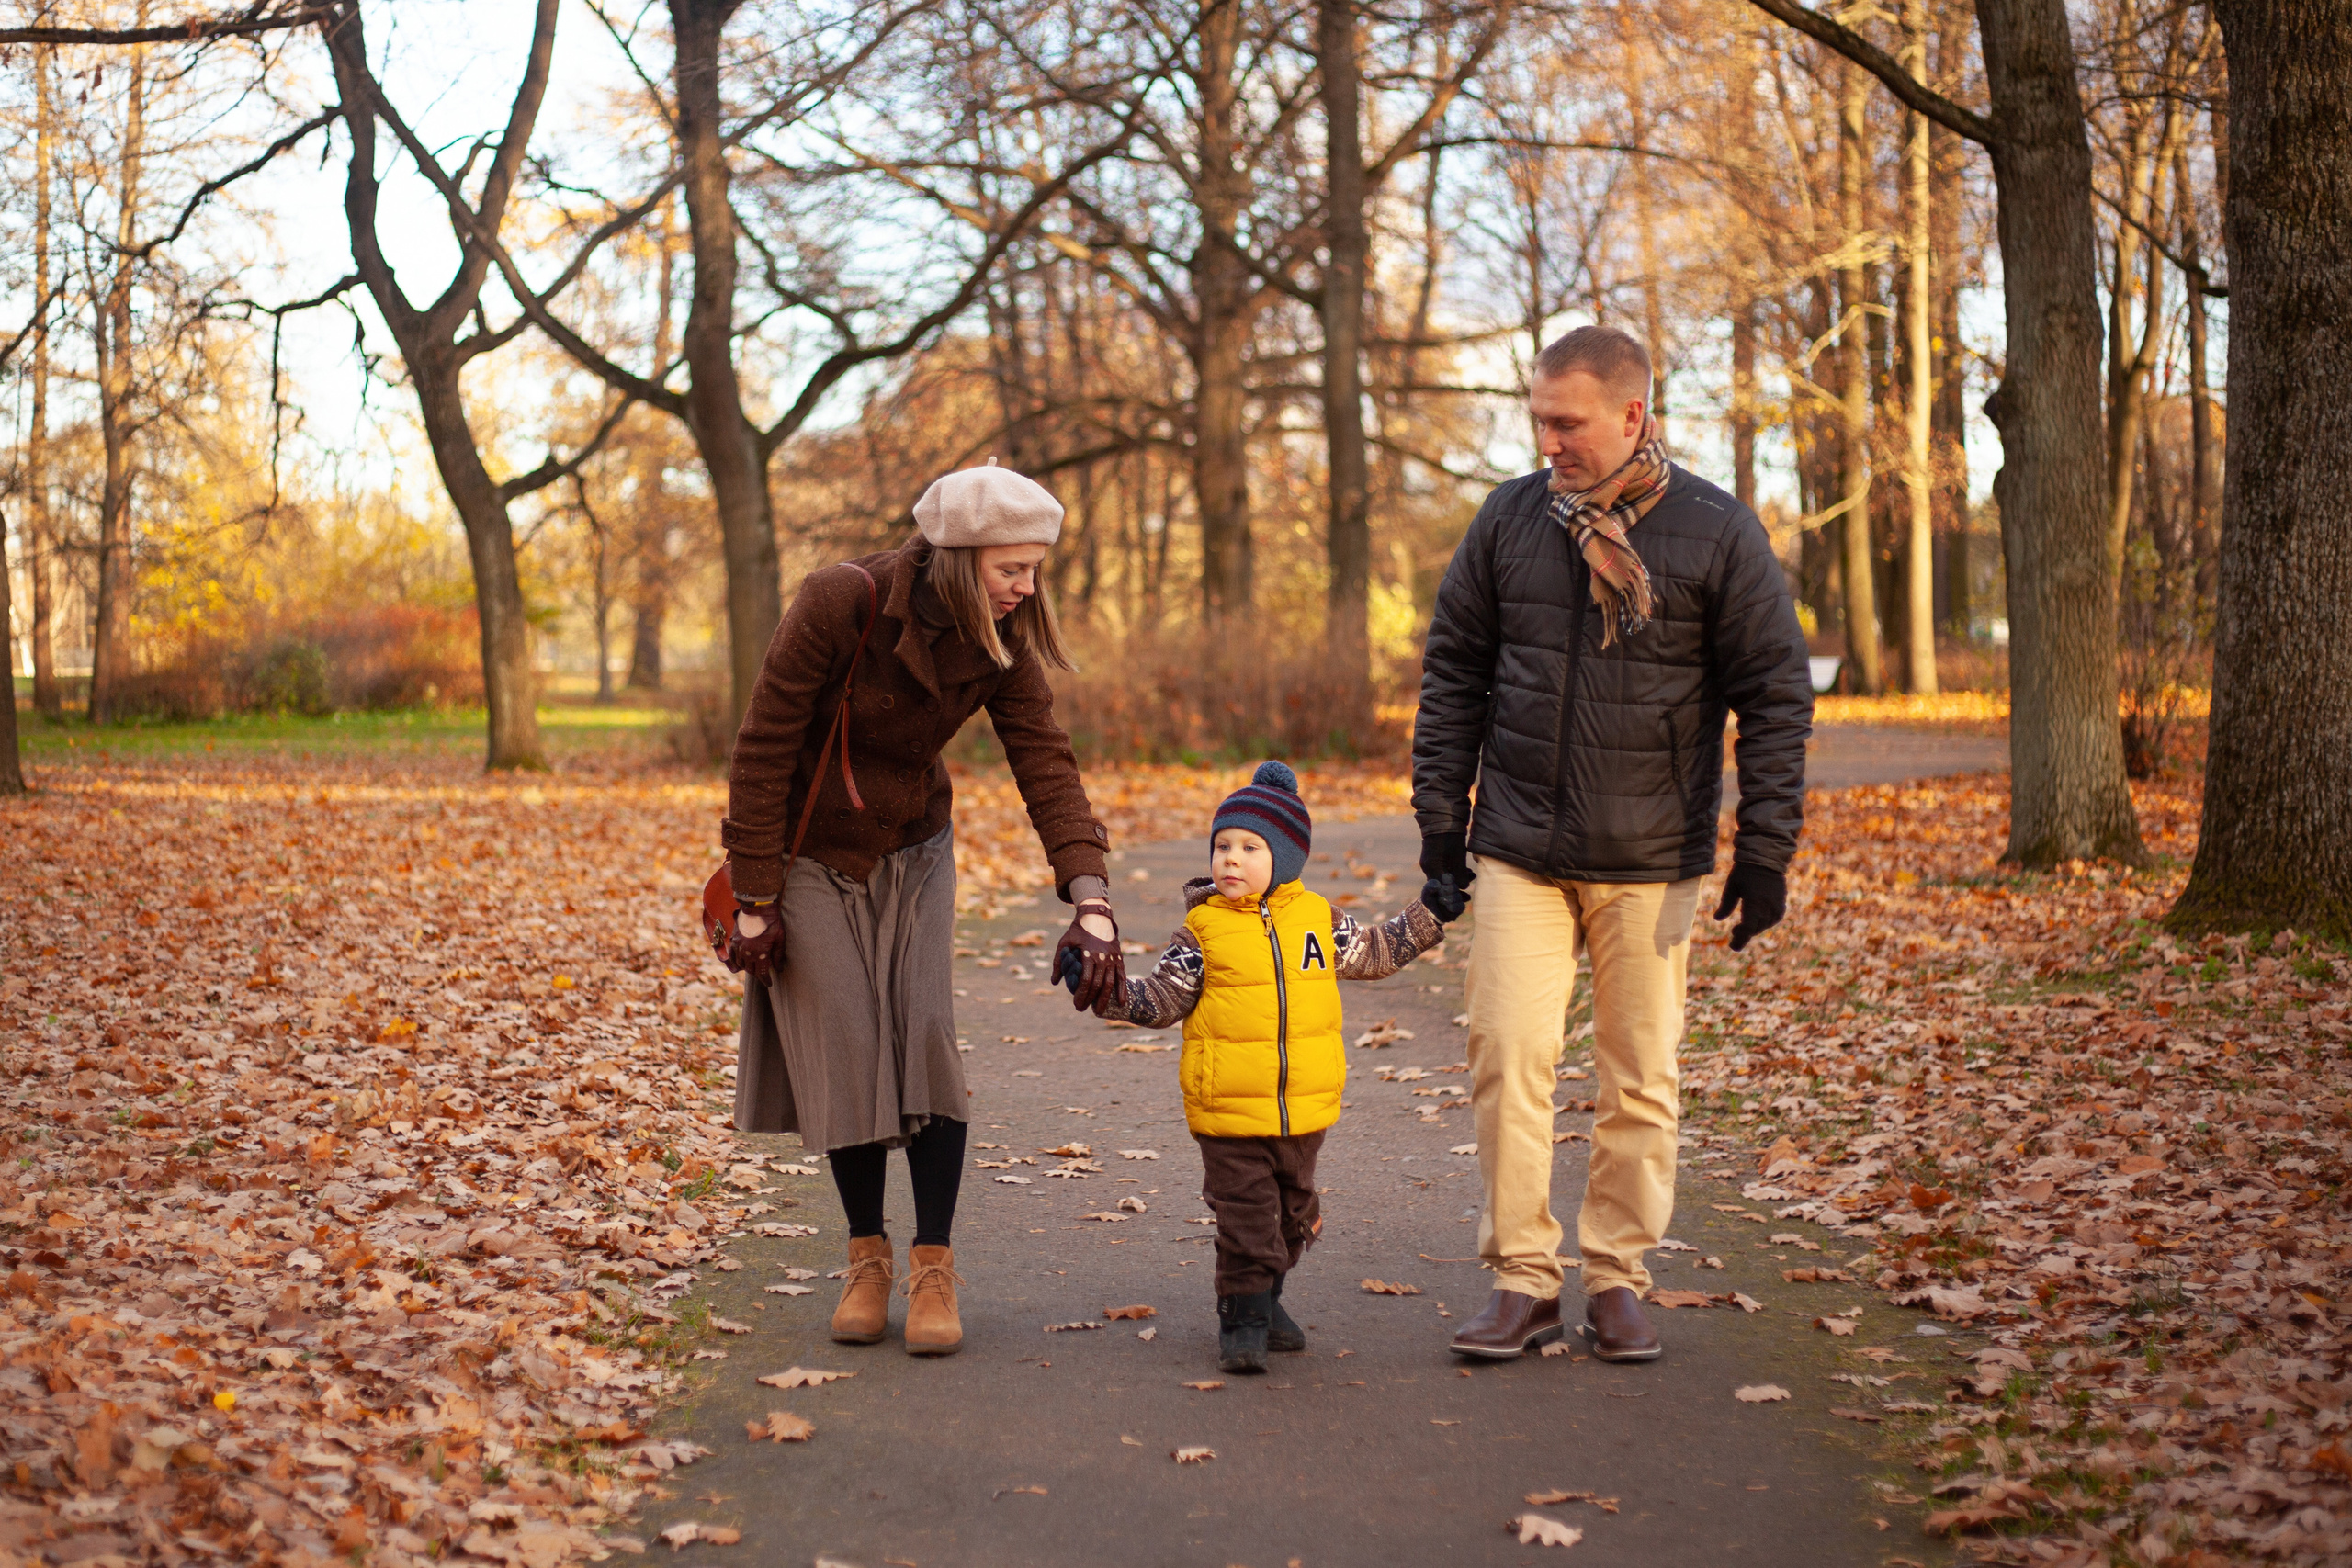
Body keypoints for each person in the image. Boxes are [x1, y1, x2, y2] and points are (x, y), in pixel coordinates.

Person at [1413, 325, 1812, 1363]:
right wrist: (1437, 824)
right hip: (1518, 849)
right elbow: (1452, 670)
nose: (1547, 440)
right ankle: (1522, 1279)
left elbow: (1774, 696)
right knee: (1508, 1052)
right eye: (1539, 419)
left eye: (1566, 422)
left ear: (1632, 415)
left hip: (1653, 857)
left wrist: (1764, 849)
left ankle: (1620, 1277)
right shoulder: (1508, 520)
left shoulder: (1716, 530)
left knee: (1639, 1076)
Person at [718, 458, 1129, 1358]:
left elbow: (1044, 760)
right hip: (810, 855)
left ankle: (933, 1262)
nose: (1027, 586)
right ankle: (866, 1257)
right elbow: (762, 746)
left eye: (1034, 569)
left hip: (916, 847)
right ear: (958, 555)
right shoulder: (840, 602)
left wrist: (1089, 897)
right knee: (849, 1045)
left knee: (927, 1032)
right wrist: (753, 896)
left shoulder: (1000, 638)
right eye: (1011, 568)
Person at [1084, 761, 1464, 1372]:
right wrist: (1106, 989)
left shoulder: (1319, 920)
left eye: (1249, 847)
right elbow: (1161, 997)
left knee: (1293, 1216)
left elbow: (1378, 950)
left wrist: (1430, 913)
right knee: (1249, 1217)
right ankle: (1242, 1318)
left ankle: (1268, 1298)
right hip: (1229, 1109)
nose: (1231, 858)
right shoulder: (1202, 931)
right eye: (1223, 846)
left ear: (1285, 856)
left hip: (1304, 1107)